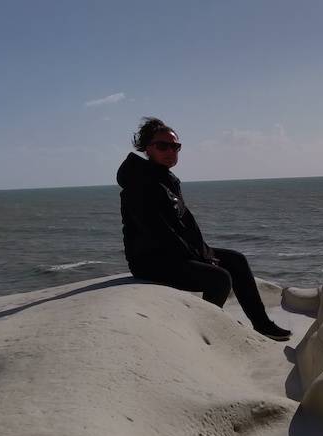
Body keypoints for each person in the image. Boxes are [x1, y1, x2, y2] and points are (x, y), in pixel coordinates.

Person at [117, 117, 292, 341]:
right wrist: (200, 259)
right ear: (147, 149)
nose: (170, 151)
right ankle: (207, 331)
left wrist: (203, 253)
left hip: (174, 253)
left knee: (236, 260)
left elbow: (184, 226)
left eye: (175, 146)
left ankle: (262, 324)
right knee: (219, 279)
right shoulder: (140, 183)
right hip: (151, 260)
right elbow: (157, 233)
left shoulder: (164, 178)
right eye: (163, 146)